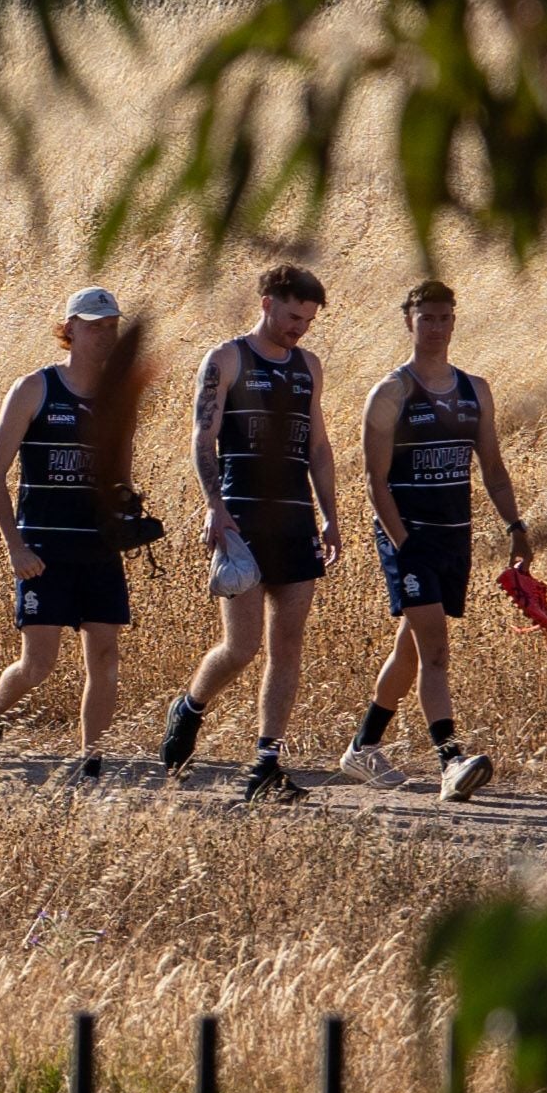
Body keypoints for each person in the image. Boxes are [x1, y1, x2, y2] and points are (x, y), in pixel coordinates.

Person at [159, 261, 343, 792]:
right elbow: (202, 438)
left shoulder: (309, 366)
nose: (299, 327)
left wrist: (330, 514)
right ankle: (191, 706)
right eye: (292, 315)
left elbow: (318, 446)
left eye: (307, 320)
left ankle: (265, 764)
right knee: (241, 647)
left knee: (288, 644)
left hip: (294, 516)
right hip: (240, 515)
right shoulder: (226, 359)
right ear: (266, 304)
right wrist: (214, 506)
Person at [354, 278, 530, 794]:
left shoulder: (475, 390)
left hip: (456, 537)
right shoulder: (391, 392)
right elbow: (374, 480)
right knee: (435, 649)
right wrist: (404, 545)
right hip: (408, 538)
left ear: (455, 320)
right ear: (408, 321)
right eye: (426, 317)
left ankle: (363, 748)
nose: (435, 327)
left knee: (410, 648)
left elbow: (493, 469)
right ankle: (450, 761)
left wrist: (515, 527)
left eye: (444, 317)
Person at [0, 289, 148, 771]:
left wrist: (128, 511)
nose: (105, 334)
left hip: (97, 549)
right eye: (93, 325)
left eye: (111, 325)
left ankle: (92, 761)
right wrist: (14, 546)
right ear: (68, 330)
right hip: (43, 549)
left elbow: (119, 477)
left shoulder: (117, 400)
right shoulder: (35, 388)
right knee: (38, 665)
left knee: (105, 655)